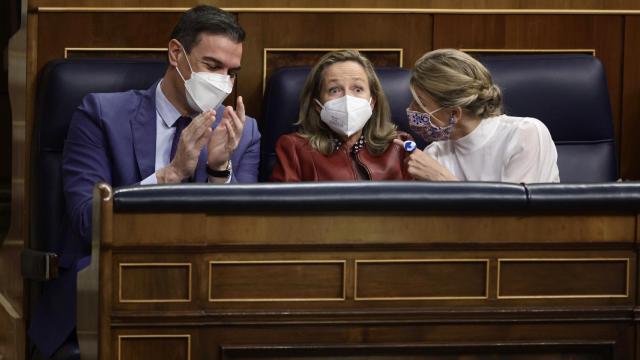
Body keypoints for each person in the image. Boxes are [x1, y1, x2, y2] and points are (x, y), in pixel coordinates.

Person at [29, 5, 260, 358]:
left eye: (231, 73)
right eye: (212, 66)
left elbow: (244, 242)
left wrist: (218, 170)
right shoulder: (101, 115)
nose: (222, 82)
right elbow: (86, 220)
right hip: (112, 291)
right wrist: (171, 175)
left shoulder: (242, 134)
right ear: (175, 54)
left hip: (204, 298)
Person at [395, 48, 560, 183]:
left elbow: (515, 220)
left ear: (454, 114)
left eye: (420, 104)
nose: (411, 110)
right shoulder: (434, 154)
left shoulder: (526, 134)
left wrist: (443, 179)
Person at [270, 50, 412, 181]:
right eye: (334, 90)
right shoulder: (294, 150)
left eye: (357, 89)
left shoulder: (399, 146)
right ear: (318, 106)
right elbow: (283, 207)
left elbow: (417, 204)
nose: (347, 99)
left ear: (372, 102)